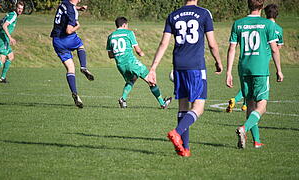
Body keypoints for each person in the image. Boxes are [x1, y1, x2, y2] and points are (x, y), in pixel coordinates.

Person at [147, 0, 223, 156]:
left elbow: (163, 43)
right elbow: (212, 44)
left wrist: (153, 67)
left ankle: (185, 149)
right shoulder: (204, 13)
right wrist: (218, 61)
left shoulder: (173, 15)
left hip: (178, 65)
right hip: (196, 66)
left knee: (183, 106)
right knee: (199, 107)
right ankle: (177, 132)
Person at [226, 0, 283, 149]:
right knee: (262, 106)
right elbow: (275, 49)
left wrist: (228, 72)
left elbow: (231, 49)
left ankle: (256, 141)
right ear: (262, 7)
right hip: (260, 69)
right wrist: (279, 70)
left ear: (248, 5)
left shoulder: (238, 24)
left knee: (250, 105)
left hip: (243, 69)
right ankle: (244, 129)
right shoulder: (268, 24)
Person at [106, 17, 172, 109]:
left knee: (132, 79)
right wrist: (141, 53)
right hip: (131, 62)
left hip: (120, 65)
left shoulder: (110, 36)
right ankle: (162, 103)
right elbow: (138, 50)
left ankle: (123, 99)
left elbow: (110, 55)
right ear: (124, 25)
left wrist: (120, 53)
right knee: (151, 80)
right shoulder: (129, 33)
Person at [50, 0, 94, 108]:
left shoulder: (64, 3)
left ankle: (75, 94)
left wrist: (79, 8)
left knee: (70, 68)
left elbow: (68, 8)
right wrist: (77, 26)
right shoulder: (72, 12)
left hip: (57, 41)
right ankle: (83, 67)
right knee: (80, 45)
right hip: (67, 38)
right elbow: (69, 30)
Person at [0, 1, 24, 84]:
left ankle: (2, 78)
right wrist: (9, 37)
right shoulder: (13, 15)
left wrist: (1, 33)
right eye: (19, 8)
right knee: (2, 59)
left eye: (21, 9)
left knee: (11, 56)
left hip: (2, 37)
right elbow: (4, 25)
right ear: (16, 8)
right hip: (4, 39)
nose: (20, 10)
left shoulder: (10, 14)